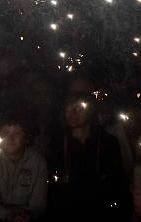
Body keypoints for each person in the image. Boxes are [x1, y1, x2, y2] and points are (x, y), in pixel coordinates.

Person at [48, 92, 130, 221]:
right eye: (68, 108)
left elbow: (116, 179)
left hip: (101, 209)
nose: (72, 113)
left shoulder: (107, 141)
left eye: (78, 108)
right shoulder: (57, 142)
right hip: (67, 210)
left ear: (90, 110)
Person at [0, 116, 47, 221]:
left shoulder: (38, 163)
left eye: (17, 133)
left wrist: (26, 215)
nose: (10, 138)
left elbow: (38, 204)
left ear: (26, 137)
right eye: (6, 133)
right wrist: (8, 215)